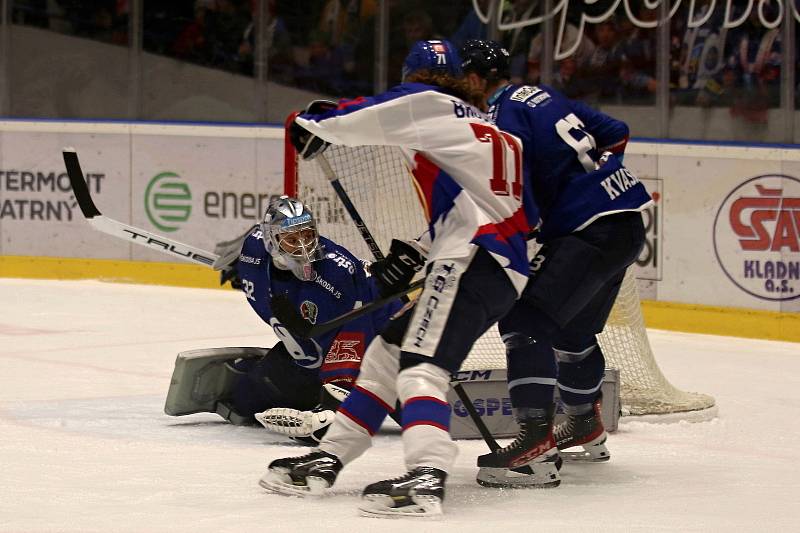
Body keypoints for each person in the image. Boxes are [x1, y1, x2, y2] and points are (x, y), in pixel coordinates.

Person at [260, 40, 529, 518]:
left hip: (470, 259)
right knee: (385, 353)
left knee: (421, 367)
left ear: (416, 76)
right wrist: (418, 255)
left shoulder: (429, 102)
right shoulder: (492, 129)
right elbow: (485, 209)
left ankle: (427, 472)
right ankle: (329, 458)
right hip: (499, 267)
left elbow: (364, 113)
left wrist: (314, 122)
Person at [459, 39, 651, 488]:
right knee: (570, 331)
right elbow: (616, 130)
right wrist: (597, 183)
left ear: (473, 79)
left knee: (524, 322)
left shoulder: (501, 119)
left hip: (589, 231)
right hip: (626, 219)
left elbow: (518, 198)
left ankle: (535, 442)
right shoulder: (543, 95)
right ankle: (585, 423)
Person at [164, 195, 399, 443]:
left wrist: (332, 401)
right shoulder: (254, 246)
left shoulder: (336, 274)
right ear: (271, 240)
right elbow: (247, 245)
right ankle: (256, 371)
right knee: (245, 402)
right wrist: (242, 270)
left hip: (370, 349)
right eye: (291, 238)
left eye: (307, 236)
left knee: (414, 411)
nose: (303, 246)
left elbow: (354, 336)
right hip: (306, 359)